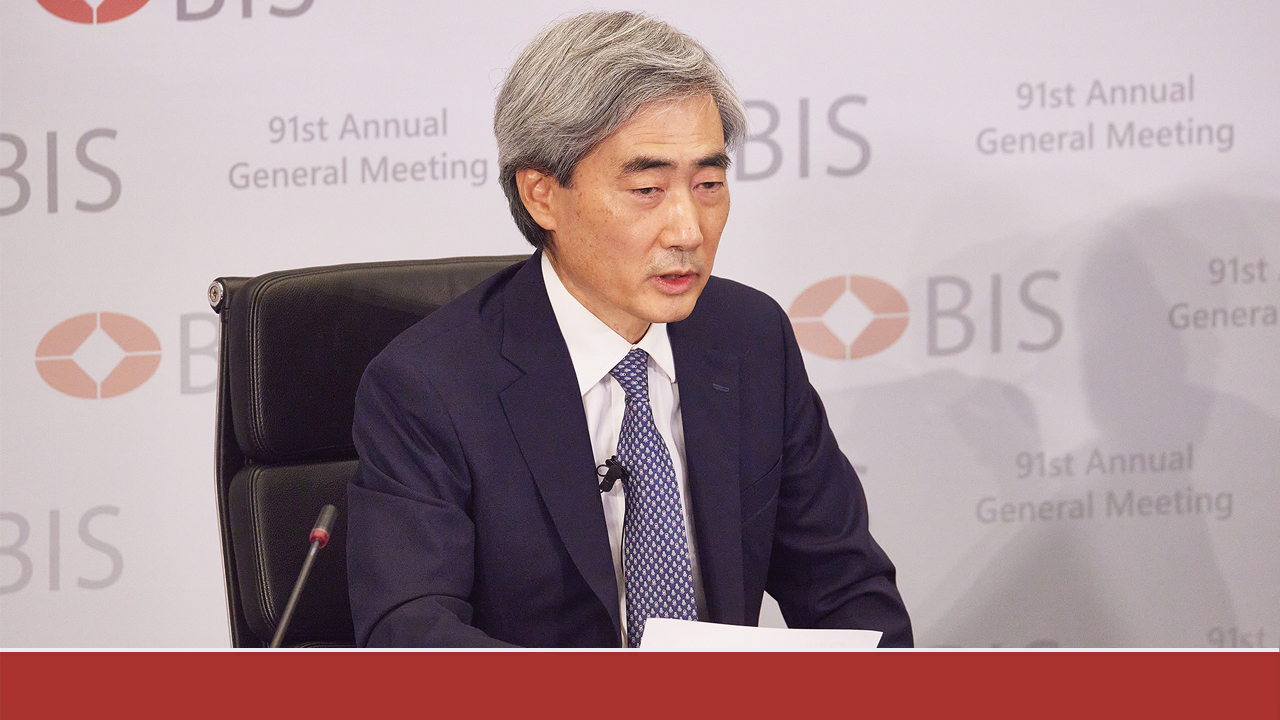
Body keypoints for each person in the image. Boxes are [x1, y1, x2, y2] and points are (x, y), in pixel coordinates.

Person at [347, 10, 912, 648]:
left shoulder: (751, 340)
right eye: (647, 189)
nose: (688, 230)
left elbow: (844, 586)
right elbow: (412, 635)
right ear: (541, 194)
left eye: (708, 184)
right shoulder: (430, 385)